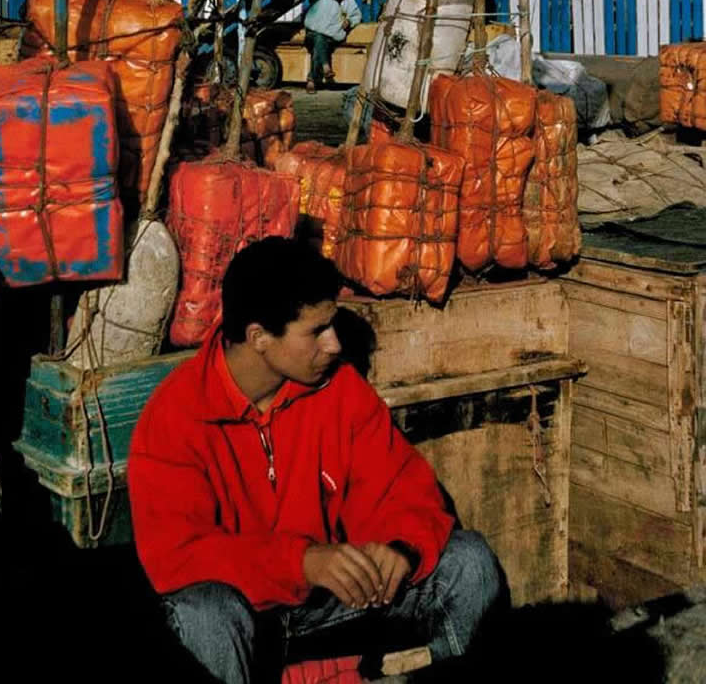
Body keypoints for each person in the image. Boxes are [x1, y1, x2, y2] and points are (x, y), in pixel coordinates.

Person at [128, 237, 505, 683]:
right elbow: (177, 558)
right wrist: (301, 562)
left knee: (468, 562)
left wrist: (401, 547)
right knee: (203, 613)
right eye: (316, 331)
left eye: (334, 325)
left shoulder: (340, 390)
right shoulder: (174, 416)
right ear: (258, 337)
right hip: (245, 617)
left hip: (330, 603)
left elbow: (399, 486)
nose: (334, 344)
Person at [303, 0, 362, 93]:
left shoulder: (348, 2)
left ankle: (312, 80)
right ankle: (325, 67)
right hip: (311, 35)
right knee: (319, 38)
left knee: (318, 45)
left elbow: (357, 15)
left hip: (331, 38)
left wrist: (349, 21)